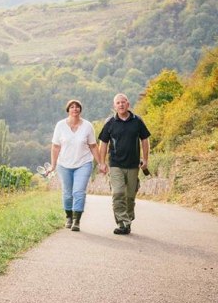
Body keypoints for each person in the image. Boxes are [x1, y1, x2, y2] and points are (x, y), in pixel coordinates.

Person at [98, 93, 151, 235]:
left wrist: (145, 159)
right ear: (114, 106)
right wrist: (102, 162)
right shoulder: (110, 123)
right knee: (118, 193)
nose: (121, 105)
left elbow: (145, 140)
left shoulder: (137, 121)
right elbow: (103, 143)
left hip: (133, 165)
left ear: (128, 104)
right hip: (115, 164)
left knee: (130, 197)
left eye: (123, 102)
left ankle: (127, 220)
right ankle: (122, 223)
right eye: (118, 103)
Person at [47, 99, 103, 232]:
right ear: (68, 110)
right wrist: (53, 165)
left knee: (78, 192)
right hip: (64, 164)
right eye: (72, 107)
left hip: (83, 163)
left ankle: (77, 220)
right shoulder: (60, 125)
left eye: (77, 107)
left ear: (80, 110)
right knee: (67, 193)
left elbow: (93, 146)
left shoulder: (87, 126)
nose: (75, 109)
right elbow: (55, 147)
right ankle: (69, 217)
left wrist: (101, 162)